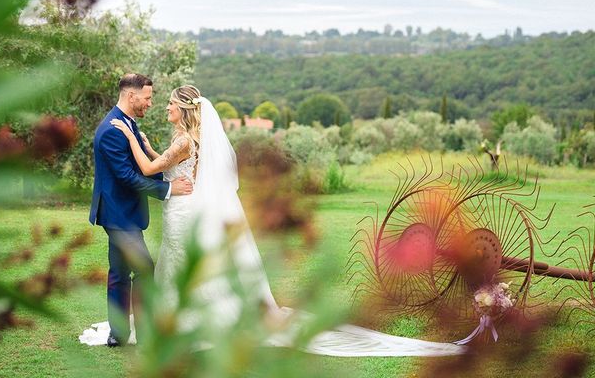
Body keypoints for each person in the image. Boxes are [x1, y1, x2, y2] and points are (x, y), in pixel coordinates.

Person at [88, 84, 464, 357]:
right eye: (156, 100)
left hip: (182, 207)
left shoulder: (183, 139)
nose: (161, 106)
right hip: (181, 207)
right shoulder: (189, 137)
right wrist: (142, 139)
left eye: (167, 103)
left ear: (184, 109)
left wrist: (133, 137)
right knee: (174, 263)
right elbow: (167, 160)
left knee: (178, 262)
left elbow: (154, 166)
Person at [88, 74, 193, 347]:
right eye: (147, 98)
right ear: (130, 95)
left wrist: (167, 179)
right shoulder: (113, 129)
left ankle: (120, 333)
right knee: (144, 269)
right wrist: (169, 190)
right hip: (118, 213)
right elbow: (127, 177)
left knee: (120, 273)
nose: (150, 103)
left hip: (126, 212)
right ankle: (140, 332)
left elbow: (146, 166)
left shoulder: (128, 124)